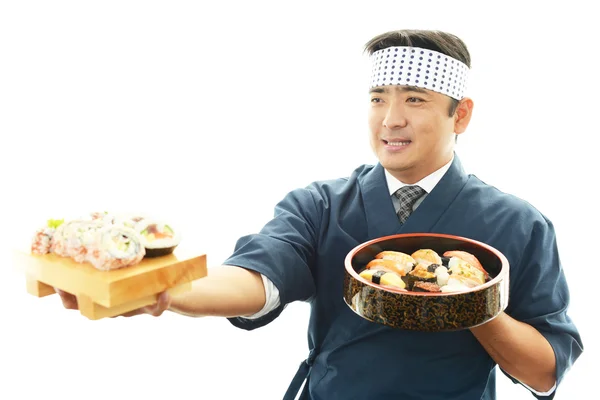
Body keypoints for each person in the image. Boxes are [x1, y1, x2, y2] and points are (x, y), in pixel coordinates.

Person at [57, 29, 583, 399]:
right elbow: (257, 278)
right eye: (378, 98)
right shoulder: (322, 204)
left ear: (460, 114)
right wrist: (167, 288)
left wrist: (476, 305)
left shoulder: (518, 224)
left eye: (416, 100)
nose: (391, 119)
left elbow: (543, 372)